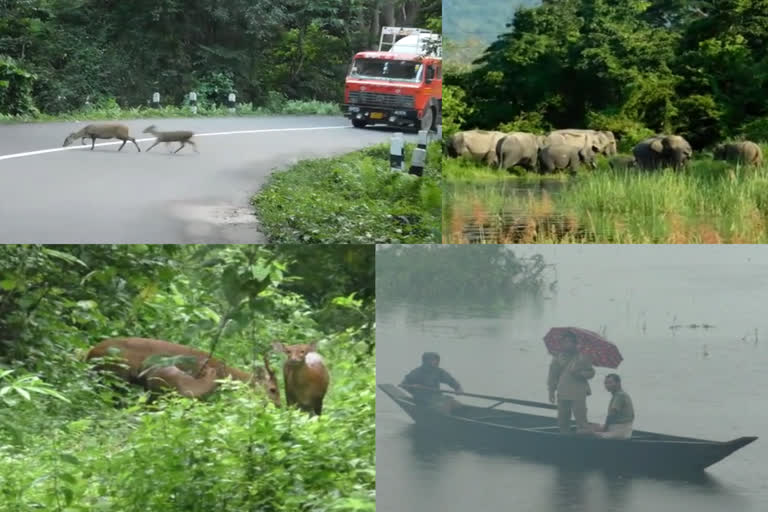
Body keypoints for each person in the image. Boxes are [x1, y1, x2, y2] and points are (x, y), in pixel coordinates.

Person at [547, 333, 596, 434]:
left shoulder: (583, 356)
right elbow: (553, 375)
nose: (567, 344)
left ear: (575, 344)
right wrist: (551, 391)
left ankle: (583, 440)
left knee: (581, 420)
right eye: (565, 342)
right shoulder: (558, 356)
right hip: (563, 390)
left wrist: (580, 374)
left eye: (570, 342)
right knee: (562, 420)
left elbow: (591, 372)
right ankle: (564, 440)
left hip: (578, 392)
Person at [594, 374, 635, 440]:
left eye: (610, 382)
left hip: (620, 431)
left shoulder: (620, 395)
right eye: (605, 383)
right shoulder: (620, 394)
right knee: (593, 427)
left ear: (618, 383)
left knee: (590, 433)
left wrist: (604, 428)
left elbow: (612, 414)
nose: (607, 385)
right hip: (619, 428)